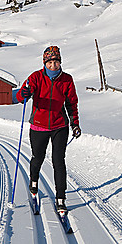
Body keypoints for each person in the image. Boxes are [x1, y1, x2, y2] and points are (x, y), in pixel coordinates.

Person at [19, 45, 81, 212]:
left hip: (60, 126)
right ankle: (33, 181)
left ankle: (60, 198)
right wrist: (24, 93)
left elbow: (71, 103)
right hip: (38, 126)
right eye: (50, 62)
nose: (53, 66)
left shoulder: (67, 79)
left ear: (60, 62)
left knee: (58, 161)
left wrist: (75, 123)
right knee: (37, 157)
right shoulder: (36, 77)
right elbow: (21, 94)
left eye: (56, 62)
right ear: (44, 62)